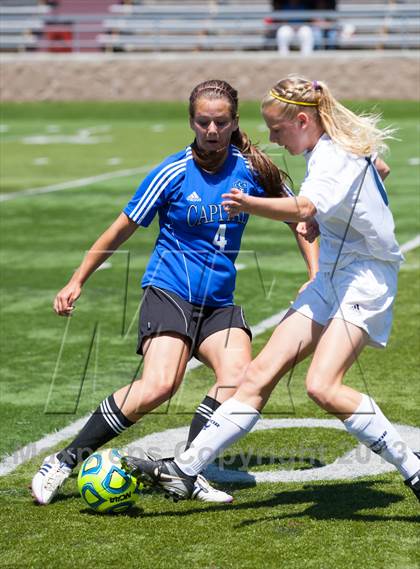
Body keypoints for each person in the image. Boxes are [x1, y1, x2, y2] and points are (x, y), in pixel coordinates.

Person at [122, 76, 420, 503]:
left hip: (366, 277)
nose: (275, 140)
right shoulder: (329, 148)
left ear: (302, 120)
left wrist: (247, 203)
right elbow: (378, 169)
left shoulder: (332, 155)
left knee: (322, 386)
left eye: (278, 131)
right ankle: (186, 471)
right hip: (332, 275)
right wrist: (336, 217)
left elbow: (301, 207)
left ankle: (414, 470)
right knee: (258, 375)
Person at [31, 79, 319, 505]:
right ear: (192, 122)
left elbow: (300, 217)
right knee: (158, 386)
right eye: (203, 122)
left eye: (221, 122)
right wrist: (77, 279)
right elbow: (121, 228)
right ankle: (63, 459)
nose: (212, 130)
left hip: (218, 302)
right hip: (170, 292)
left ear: (234, 122)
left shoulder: (252, 170)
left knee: (239, 379)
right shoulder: (172, 172)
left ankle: (189, 469)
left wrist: (314, 273)